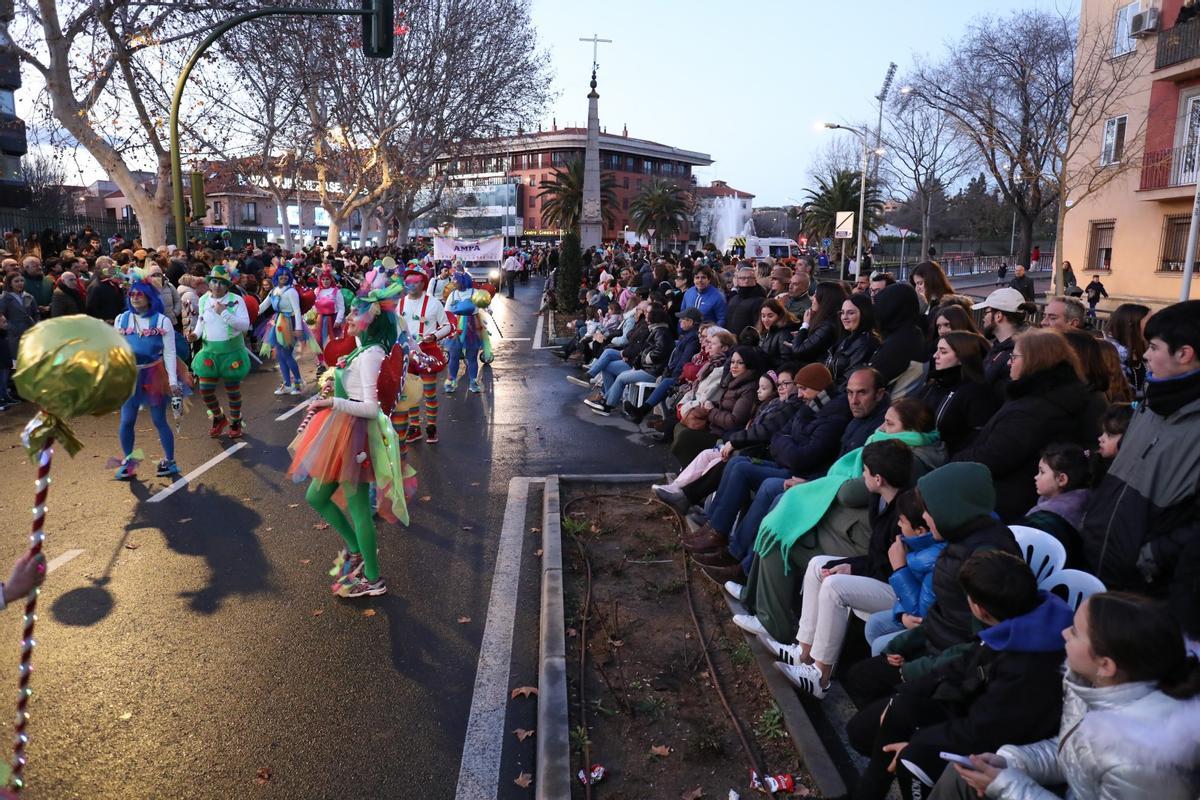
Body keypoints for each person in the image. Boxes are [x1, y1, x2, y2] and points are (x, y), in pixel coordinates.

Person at [847, 550, 1073, 800]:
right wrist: (906, 692)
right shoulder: (1023, 620)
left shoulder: (1027, 666)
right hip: (975, 709)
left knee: (913, 761)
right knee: (891, 713)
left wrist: (920, 743)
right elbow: (964, 665)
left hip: (1003, 745)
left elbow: (986, 730)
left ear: (979, 609)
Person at [933, 592, 1200, 800]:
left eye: (1074, 631)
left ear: (1106, 665)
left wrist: (1006, 786)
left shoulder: (1143, 763)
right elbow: (1076, 753)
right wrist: (1011, 762)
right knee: (959, 777)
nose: (1063, 633)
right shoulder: (1094, 683)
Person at [732, 397, 943, 647]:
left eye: (889, 424)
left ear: (911, 431)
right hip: (853, 533)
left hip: (858, 541)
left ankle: (774, 625)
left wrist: (819, 485)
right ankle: (755, 601)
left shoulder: (905, 460)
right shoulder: (893, 449)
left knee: (783, 537)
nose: (881, 429)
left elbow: (849, 493)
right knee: (780, 519)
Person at [842, 462, 1021, 710]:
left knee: (865, 688)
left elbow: (977, 644)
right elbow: (940, 616)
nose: (924, 516)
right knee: (862, 673)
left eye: (929, 509)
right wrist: (901, 644)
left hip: (950, 670)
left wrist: (912, 669)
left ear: (952, 508)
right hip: (934, 647)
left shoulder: (985, 559)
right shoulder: (959, 540)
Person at [686, 367, 889, 583]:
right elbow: (779, 435)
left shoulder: (846, 419)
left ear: (879, 393)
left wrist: (801, 469)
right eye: (850, 392)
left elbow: (805, 457)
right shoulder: (815, 407)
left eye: (862, 392)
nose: (854, 400)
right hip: (807, 475)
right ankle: (718, 534)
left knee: (770, 488)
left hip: (813, 481)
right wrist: (787, 446)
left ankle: (743, 566)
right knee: (738, 465)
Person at [1081, 300, 1200, 642]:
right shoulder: (1152, 402)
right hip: (1104, 560)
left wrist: (1151, 556)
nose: (1145, 355)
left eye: (1153, 347)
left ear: (1185, 354)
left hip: (1149, 588)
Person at [288, 285, 412, 599]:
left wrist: (333, 404)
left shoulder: (371, 354)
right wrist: (334, 379)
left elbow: (372, 407)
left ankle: (373, 578)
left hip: (354, 434)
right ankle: (355, 548)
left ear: (372, 320)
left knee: (358, 509)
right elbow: (348, 374)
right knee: (316, 496)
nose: (351, 316)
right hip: (340, 429)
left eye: (358, 312)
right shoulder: (361, 347)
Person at [772, 440, 920, 696]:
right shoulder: (879, 500)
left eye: (865, 471)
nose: (861, 475)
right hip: (881, 575)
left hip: (900, 592)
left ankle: (820, 676)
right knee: (820, 565)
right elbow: (875, 557)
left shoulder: (904, 513)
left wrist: (853, 570)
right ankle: (803, 651)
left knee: (835, 586)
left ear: (878, 478)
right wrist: (849, 565)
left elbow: (892, 567)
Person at [954, 329, 1093, 521]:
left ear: (1034, 360)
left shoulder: (1035, 409)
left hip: (1004, 506)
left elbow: (995, 456)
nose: (1010, 362)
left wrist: (954, 462)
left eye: (1015, 356)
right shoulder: (1038, 398)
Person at [111, 279, 189, 480]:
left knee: (158, 419)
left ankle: (170, 461)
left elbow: (170, 353)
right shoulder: (121, 319)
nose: (135, 297)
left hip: (154, 374)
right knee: (127, 419)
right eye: (132, 294)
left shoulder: (161, 321)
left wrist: (172, 381)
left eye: (140, 294)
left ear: (149, 297)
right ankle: (129, 462)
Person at [670, 345, 764, 467]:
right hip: (716, 427)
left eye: (740, 363)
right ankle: (689, 469)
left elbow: (734, 421)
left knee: (685, 437)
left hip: (723, 434)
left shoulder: (749, 389)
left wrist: (712, 410)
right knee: (680, 426)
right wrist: (712, 406)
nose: (734, 366)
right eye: (732, 362)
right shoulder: (733, 381)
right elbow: (725, 406)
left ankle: (692, 473)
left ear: (749, 365)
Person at [188, 264, 252, 439]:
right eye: (214, 281)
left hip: (231, 351)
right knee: (205, 390)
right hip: (210, 352)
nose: (217, 285)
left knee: (232, 390)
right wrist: (195, 334)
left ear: (227, 285)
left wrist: (224, 313)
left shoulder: (236, 300)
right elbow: (202, 322)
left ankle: (236, 421)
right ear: (209, 283)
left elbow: (245, 326)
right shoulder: (203, 300)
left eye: (221, 282)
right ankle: (219, 418)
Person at [912, 331, 997, 454]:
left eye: (943, 351)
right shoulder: (934, 384)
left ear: (963, 357)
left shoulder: (977, 393)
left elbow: (976, 438)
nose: (935, 355)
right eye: (937, 350)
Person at [396, 266, 451, 442]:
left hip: (426, 352)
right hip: (406, 353)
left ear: (423, 283)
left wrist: (434, 336)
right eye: (408, 282)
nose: (411, 285)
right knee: (411, 392)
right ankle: (414, 427)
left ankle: (431, 427)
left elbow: (447, 325)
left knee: (429, 392)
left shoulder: (433, 303)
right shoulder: (400, 303)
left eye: (415, 282)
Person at [1021, 442, 1091, 567]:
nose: (1036, 477)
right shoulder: (1084, 503)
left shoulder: (1049, 519)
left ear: (1061, 479)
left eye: (1042, 472)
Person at [257, 264, 311, 396]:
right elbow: (262, 307)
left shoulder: (291, 292)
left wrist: (298, 328)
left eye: (286, 274)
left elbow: (297, 311)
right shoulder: (273, 291)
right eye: (281, 274)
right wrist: (248, 314)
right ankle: (287, 384)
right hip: (277, 322)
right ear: (276, 276)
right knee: (280, 356)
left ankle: (298, 383)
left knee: (287, 355)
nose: (283, 276)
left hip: (289, 323)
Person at [973, 287, 1030, 400]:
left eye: (986, 312)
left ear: (998, 316)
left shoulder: (1017, 353)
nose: (984, 318)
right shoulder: (1000, 346)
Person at [782, 280, 846, 364]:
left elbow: (799, 351)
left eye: (815, 295)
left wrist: (805, 326)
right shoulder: (825, 322)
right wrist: (803, 335)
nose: (812, 298)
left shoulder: (828, 327)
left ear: (824, 300)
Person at [826, 294, 879, 390]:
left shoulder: (866, 343)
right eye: (842, 313)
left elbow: (849, 381)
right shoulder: (847, 337)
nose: (844, 317)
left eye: (850, 313)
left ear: (864, 314)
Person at [444, 271, 485, 393]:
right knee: (454, 356)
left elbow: (483, 305)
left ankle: (473, 382)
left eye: (455, 280)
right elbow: (447, 311)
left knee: (472, 357)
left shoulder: (475, 292)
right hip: (456, 325)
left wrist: (487, 307)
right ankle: (451, 381)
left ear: (462, 280)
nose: (453, 282)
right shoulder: (452, 294)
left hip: (473, 325)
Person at [311, 265, 346, 371]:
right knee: (318, 341)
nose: (325, 281)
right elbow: (312, 305)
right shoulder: (317, 291)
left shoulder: (336, 291)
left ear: (331, 280)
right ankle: (321, 363)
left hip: (333, 320)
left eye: (327, 279)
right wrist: (311, 315)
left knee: (333, 342)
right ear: (320, 280)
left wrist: (338, 320)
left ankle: (335, 362)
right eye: (323, 279)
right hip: (320, 320)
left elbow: (341, 307)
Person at [0, 272, 38, 365]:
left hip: (29, 331)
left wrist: (36, 326)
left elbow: (36, 314)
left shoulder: (28, 296)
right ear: (10, 283)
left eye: (22, 281)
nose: (20, 283)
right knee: (17, 362)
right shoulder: (4, 298)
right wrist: (9, 327)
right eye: (16, 281)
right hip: (13, 333)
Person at [724, 264, 767, 337]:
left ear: (755, 279)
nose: (746, 281)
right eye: (743, 278)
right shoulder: (734, 298)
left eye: (750, 278)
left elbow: (759, 326)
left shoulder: (760, 300)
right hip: (731, 340)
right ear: (737, 280)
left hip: (747, 342)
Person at [756, 298, 800, 368]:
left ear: (780, 316)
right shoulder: (766, 332)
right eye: (763, 316)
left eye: (770, 316)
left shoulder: (785, 333)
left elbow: (787, 362)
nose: (765, 320)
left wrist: (765, 358)